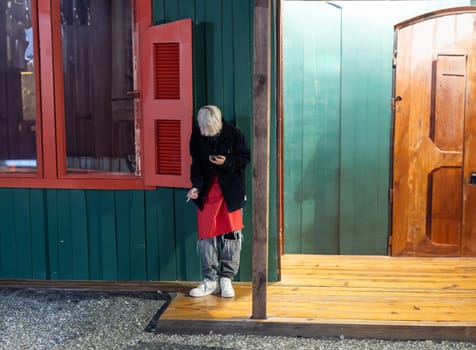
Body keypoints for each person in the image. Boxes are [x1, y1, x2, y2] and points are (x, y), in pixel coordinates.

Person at [186, 105, 250, 298]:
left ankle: (226, 279)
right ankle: (209, 280)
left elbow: (244, 159)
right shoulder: (197, 137)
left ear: (217, 123)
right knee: (206, 236)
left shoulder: (234, 134)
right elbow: (196, 166)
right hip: (207, 191)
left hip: (230, 191)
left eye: (209, 128)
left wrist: (226, 162)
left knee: (231, 235)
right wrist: (195, 187)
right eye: (202, 128)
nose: (205, 132)